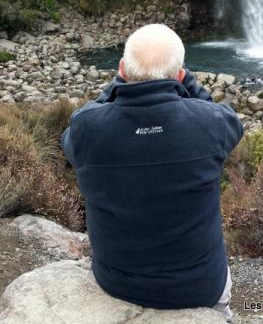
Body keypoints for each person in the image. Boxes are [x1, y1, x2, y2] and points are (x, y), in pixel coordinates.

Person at [61, 23, 244, 320]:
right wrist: (188, 82)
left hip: (117, 283)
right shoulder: (211, 124)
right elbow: (224, 116)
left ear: (122, 68)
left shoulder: (87, 129)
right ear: (181, 75)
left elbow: (74, 132)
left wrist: (115, 87)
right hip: (200, 288)